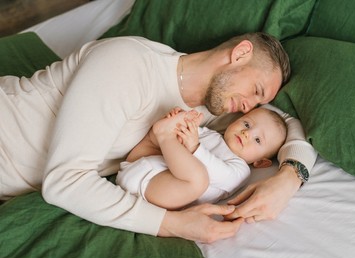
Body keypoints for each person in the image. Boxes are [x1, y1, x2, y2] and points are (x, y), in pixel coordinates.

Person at [0, 32, 317, 243]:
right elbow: (64, 181)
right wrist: (173, 224)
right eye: (255, 91)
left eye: (257, 104)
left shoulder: (209, 108)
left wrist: (289, 178)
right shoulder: (128, 65)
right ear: (241, 54)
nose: (249, 106)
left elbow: (287, 122)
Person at [116, 106, 287, 210]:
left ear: (261, 162)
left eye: (258, 140)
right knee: (168, 133)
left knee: (199, 179)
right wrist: (183, 122)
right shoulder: (210, 134)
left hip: (153, 187)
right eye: (247, 124)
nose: (247, 133)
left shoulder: (241, 170)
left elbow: (219, 173)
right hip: (139, 162)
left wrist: (194, 147)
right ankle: (162, 134)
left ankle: (163, 135)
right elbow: (183, 136)